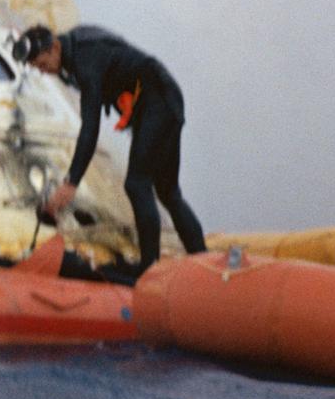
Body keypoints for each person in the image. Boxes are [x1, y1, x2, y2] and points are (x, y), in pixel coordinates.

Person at [13, 24, 206, 273]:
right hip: (163, 99)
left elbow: (90, 127)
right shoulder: (76, 50)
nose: (44, 72)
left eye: (42, 64)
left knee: (137, 184)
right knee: (168, 192)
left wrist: (71, 183)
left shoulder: (85, 59)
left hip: (158, 100)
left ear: (55, 47)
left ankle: (150, 271)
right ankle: (203, 260)